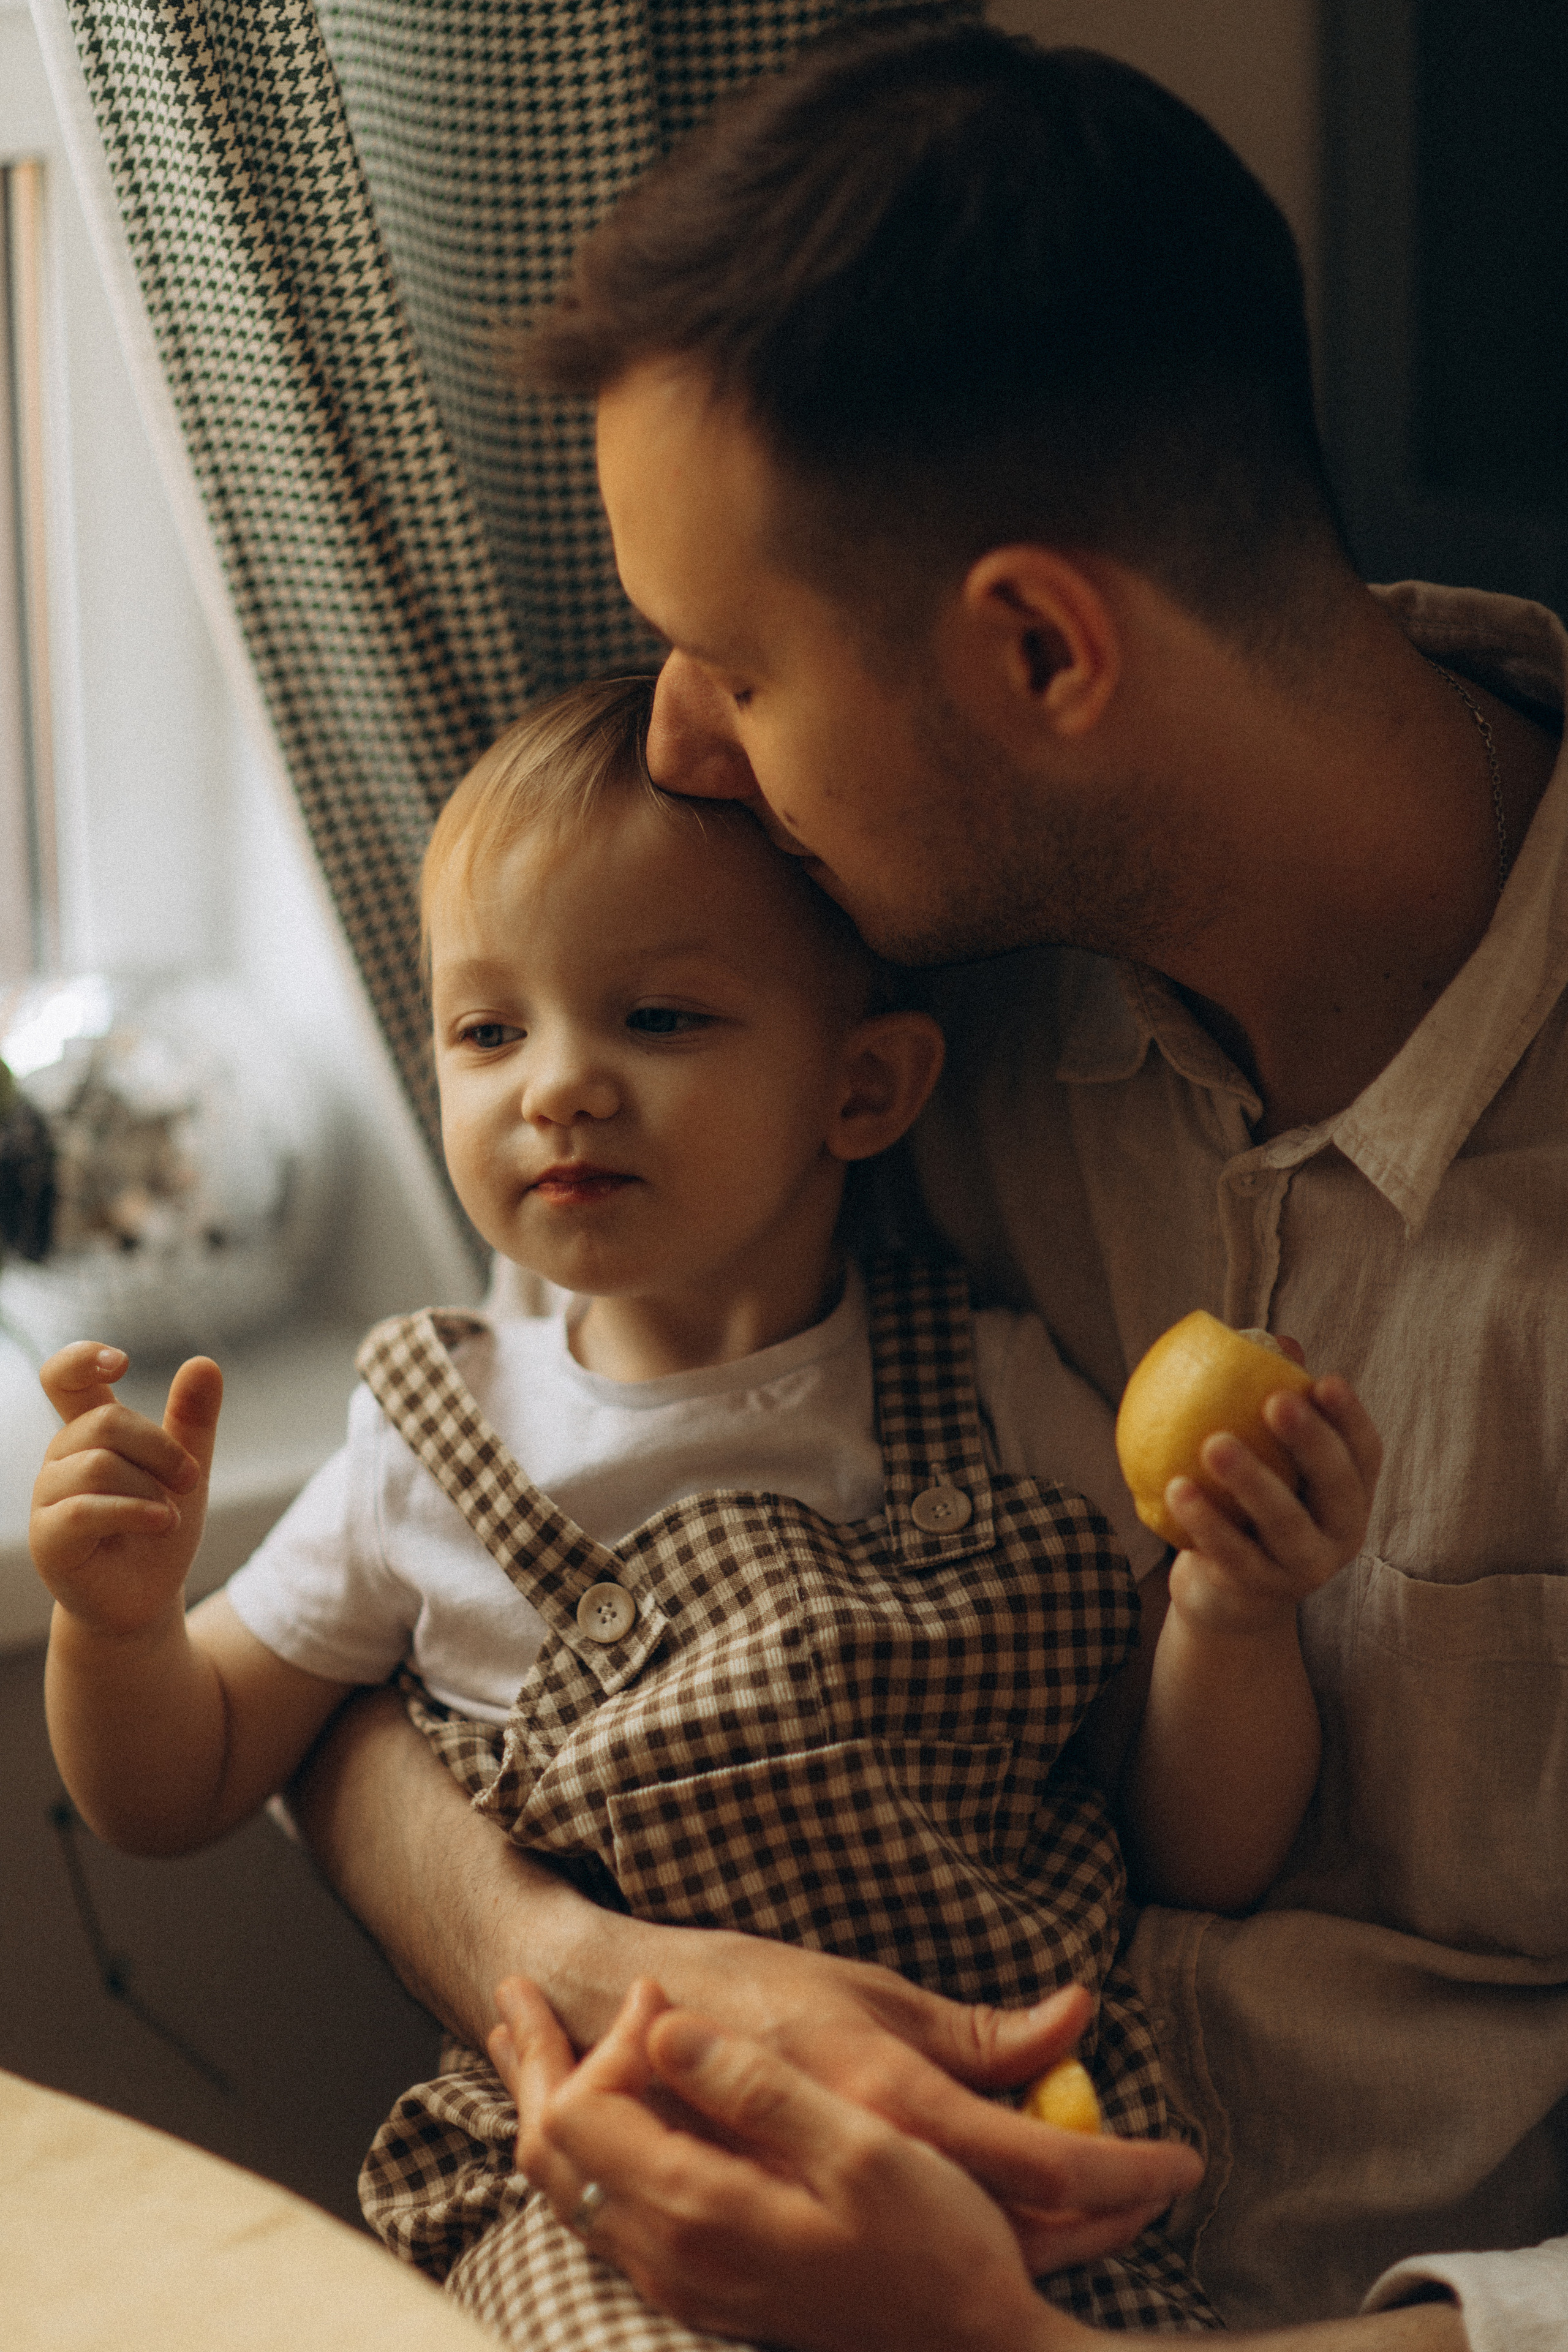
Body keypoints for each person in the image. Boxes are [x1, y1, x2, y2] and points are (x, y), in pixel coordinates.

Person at [284, 23, 1568, 2350]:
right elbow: (387, 1665)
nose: (674, 746)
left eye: (732, 664)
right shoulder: (849, 1022)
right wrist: (577, 1965)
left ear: (1040, 651)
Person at [29, 674, 1379, 2342]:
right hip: (606, 2179)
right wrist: (117, 1622)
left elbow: (1201, 1851)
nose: (561, 1088)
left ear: (865, 1092)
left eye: (657, 1020)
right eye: (488, 1029)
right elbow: (176, 1784)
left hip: (994, 2158)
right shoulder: (426, 1435)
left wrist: (1234, 1613)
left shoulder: (1005, 1392)